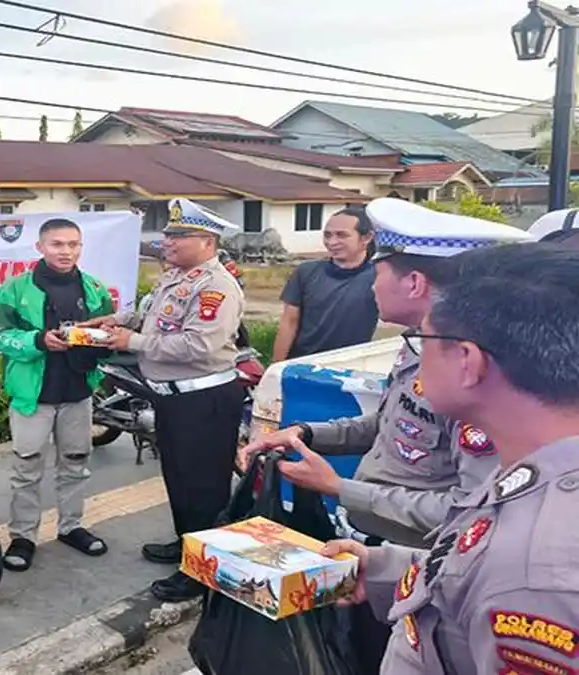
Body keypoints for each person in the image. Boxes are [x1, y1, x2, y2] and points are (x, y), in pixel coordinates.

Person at [239, 198, 531, 672]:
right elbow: (388, 423)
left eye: (378, 273)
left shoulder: (470, 372)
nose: (371, 286)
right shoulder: (418, 343)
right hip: (372, 546)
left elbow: (470, 509)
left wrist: (338, 487)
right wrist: (306, 433)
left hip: (420, 562)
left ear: (413, 282)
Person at [322, 242, 579, 674]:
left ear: (467, 361)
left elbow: (510, 577)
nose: (417, 361)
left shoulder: (538, 574)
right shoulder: (536, 472)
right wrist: (388, 568)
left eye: (424, 339)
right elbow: (476, 567)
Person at [84, 198, 245, 602]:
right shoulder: (177, 278)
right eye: (168, 234)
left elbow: (200, 345)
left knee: (204, 488)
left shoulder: (216, 287)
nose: (167, 242)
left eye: (177, 235)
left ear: (207, 241)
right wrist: (117, 321)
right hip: (174, 399)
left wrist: (132, 342)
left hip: (204, 400)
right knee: (180, 480)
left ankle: (201, 574)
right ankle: (186, 544)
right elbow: (155, 317)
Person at [0, 218, 115, 571]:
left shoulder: (94, 289)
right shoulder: (14, 289)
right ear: (40, 247)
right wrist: (39, 340)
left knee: (75, 463)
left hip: (78, 392)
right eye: (57, 244)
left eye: (73, 244)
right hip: (33, 396)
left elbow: (108, 333)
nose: (66, 251)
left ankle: (71, 526)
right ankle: (23, 536)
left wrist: (104, 340)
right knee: (27, 469)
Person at [271, 206, 379, 362]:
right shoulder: (306, 272)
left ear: (366, 238)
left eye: (342, 235)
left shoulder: (378, 277)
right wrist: (276, 367)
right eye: (327, 235)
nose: (332, 242)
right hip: (303, 364)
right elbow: (289, 322)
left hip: (351, 367)